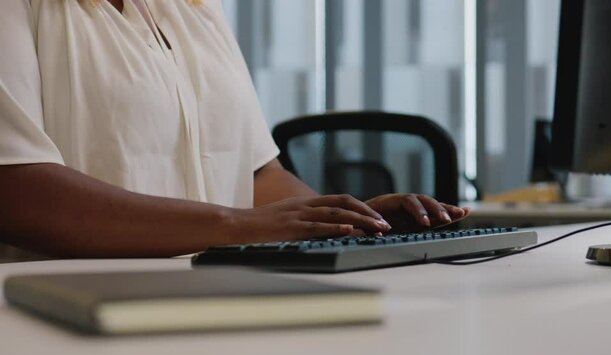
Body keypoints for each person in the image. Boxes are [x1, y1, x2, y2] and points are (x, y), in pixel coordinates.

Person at [0, 0, 469, 261]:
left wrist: (346, 223)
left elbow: (256, 176)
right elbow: (17, 190)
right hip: (77, 315)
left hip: (217, 296)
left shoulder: (192, 9)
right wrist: (235, 227)